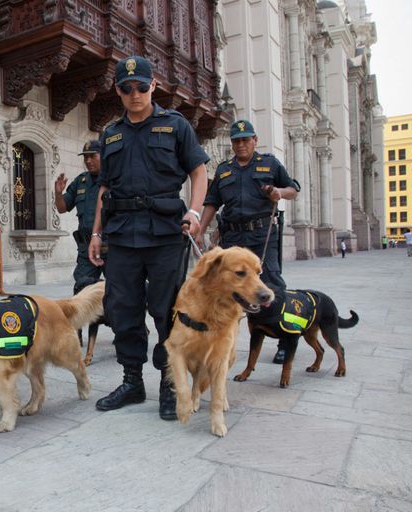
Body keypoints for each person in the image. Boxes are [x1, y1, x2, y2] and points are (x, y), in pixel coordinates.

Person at [87, 55, 209, 420]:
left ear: (153, 86)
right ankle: (132, 381)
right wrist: (96, 232)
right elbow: (104, 187)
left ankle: (171, 384)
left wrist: (195, 212)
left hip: (165, 232)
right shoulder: (111, 134)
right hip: (122, 234)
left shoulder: (175, 125)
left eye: (141, 86)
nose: (134, 94)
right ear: (118, 91)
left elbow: (199, 172)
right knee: (122, 310)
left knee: (167, 310)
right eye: (127, 88)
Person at [197, 119, 299, 364]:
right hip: (232, 237)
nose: (241, 144)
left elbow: (293, 189)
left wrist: (279, 193)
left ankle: (285, 340)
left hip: (262, 235)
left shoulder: (270, 164)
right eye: (236, 140)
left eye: (245, 139)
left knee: (272, 284)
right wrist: (200, 230)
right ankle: (223, 340)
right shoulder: (224, 170)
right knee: (227, 288)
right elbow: (212, 202)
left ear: (255, 140)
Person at [54, 139, 106, 296]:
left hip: (111, 245)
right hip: (86, 247)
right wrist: (57, 193)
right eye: (85, 157)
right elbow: (62, 208)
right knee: (82, 290)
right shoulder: (80, 181)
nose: (88, 161)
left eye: (92, 156)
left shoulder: (114, 179)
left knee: (119, 290)